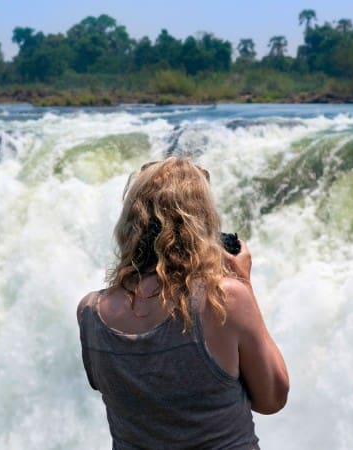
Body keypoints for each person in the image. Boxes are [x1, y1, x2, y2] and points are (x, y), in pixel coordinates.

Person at [77, 157, 289, 449]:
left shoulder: (91, 312)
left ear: (131, 225)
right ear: (202, 225)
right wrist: (244, 284)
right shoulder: (223, 300)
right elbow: (273, 398)